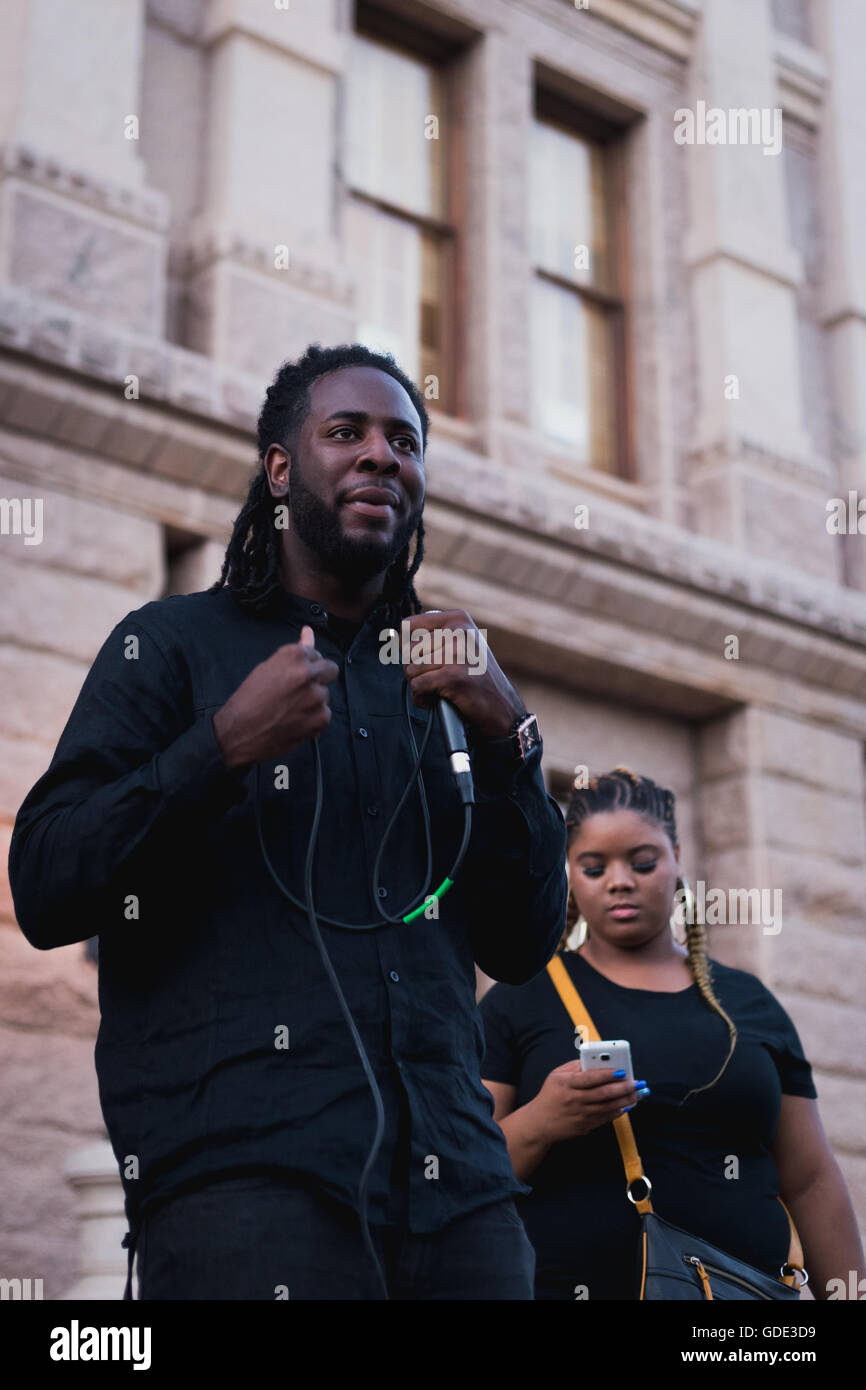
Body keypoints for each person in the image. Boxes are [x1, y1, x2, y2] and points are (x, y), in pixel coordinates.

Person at [8, 342, 567, 1300]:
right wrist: (220, 746)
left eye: (405, 440)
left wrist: (514, 737)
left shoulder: (446, 688)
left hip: (461, 1196)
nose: (381, 456)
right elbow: (50, 882)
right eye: (345, 432)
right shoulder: (169, 646)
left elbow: (523, 942)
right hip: (246, 1189)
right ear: (280, 469)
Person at [480, 766, 865, 1300]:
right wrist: (542, 1122)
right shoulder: (522, 997)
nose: (620, 880)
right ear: (567, 873)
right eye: (594, 868)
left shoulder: (749, 1001)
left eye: (642, 861)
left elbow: (811, 1179)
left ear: (677, 856)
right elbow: (466, 1171)